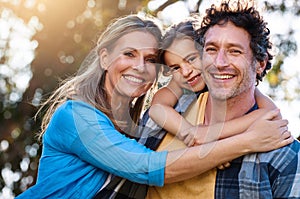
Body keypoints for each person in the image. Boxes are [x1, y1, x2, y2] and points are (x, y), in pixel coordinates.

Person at [16, 14, 292, 199]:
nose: (140, 67)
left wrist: (267, 116)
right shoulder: (76, 116)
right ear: (104, 58)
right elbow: (147, 167)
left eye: (150, 59)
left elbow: (261, 105)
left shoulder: (138, 127)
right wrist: (247, 140)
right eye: (129, 54)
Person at [146, 1, 300, 198]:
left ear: (260, 64)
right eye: (211, 49)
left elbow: (272, 115)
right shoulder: (169, 112)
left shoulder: (283, 153)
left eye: (235, 51)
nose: (219, 63)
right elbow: (135, 169)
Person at [148, 19, 281, 147]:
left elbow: (273, 114)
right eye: (175, 67)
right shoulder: (180, 82)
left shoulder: (239, 85)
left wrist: (212, 134)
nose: (186, 71)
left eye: (191, 59)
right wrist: (189, 132)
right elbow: (157, 108)